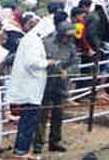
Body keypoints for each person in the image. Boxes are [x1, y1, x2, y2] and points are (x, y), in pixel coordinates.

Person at [6, 17, 53, 158]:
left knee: (28, 120)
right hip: (30, 87)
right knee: (28, 120)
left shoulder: (31, 39)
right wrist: (47, 63)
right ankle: (21, 151)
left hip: (31, 86)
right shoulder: (33, 41)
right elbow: (32, 62)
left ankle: (22, 149)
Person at [33, 21, 79, 155]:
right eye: (66, 36)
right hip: (45, 84)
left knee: (58, 115)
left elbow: (75, 63)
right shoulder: (46, 43)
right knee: (41, 115)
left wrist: (68, 72)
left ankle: (55, 141)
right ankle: (38, 144)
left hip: (61, 85)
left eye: (70, 37)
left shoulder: (71, 46)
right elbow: (39, 61)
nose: (68, 39)